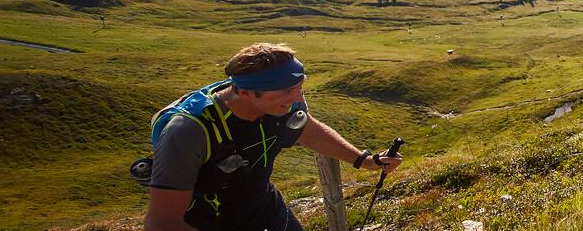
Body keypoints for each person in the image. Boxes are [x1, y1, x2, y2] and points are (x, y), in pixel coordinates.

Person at [143, 43, 403, 231]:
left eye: (299, 88)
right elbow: (162, 223)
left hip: (265, 207)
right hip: (209, 222)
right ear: (245, 93)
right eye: (288, 90)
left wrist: (364, 160)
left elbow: (309, 130)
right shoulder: (188, 132)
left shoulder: (281, 106)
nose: (298, 99)